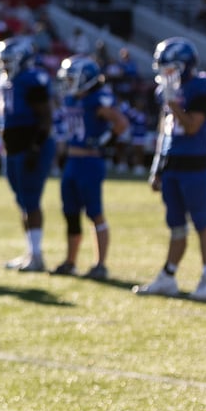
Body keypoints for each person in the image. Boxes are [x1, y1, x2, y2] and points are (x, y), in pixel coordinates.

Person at [135, 37, 206, 300]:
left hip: (195, 163)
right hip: (173, 163)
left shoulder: (201, 87)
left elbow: (193, 125)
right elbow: (166, 130)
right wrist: (158, 166)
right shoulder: (165, 90)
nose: (165, 73)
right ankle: (169, 276)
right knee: (175, 224)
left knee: (201, 222)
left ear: (184, 66)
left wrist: (174, 105)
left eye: (170, 67)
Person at [52, 55, 128, 280]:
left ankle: (100, 264)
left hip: (90, 161)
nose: (68, 83)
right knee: (70, 214)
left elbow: (121, 123)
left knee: (95, 213)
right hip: (72, 161)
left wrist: (105, 141)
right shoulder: (71, 100)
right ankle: (70, 261)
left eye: (72, 78)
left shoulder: (97, 99)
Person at [0, 37, 56, 272]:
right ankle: (31, 252)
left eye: (9, 61)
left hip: (31, 146)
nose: (5, 65)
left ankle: (37, 256)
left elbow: (45, 117)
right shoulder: (3, 82)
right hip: (12, 149)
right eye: (3, 61)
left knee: (31, 200)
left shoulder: (32, 79)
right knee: (22, 201)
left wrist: (35, 147)